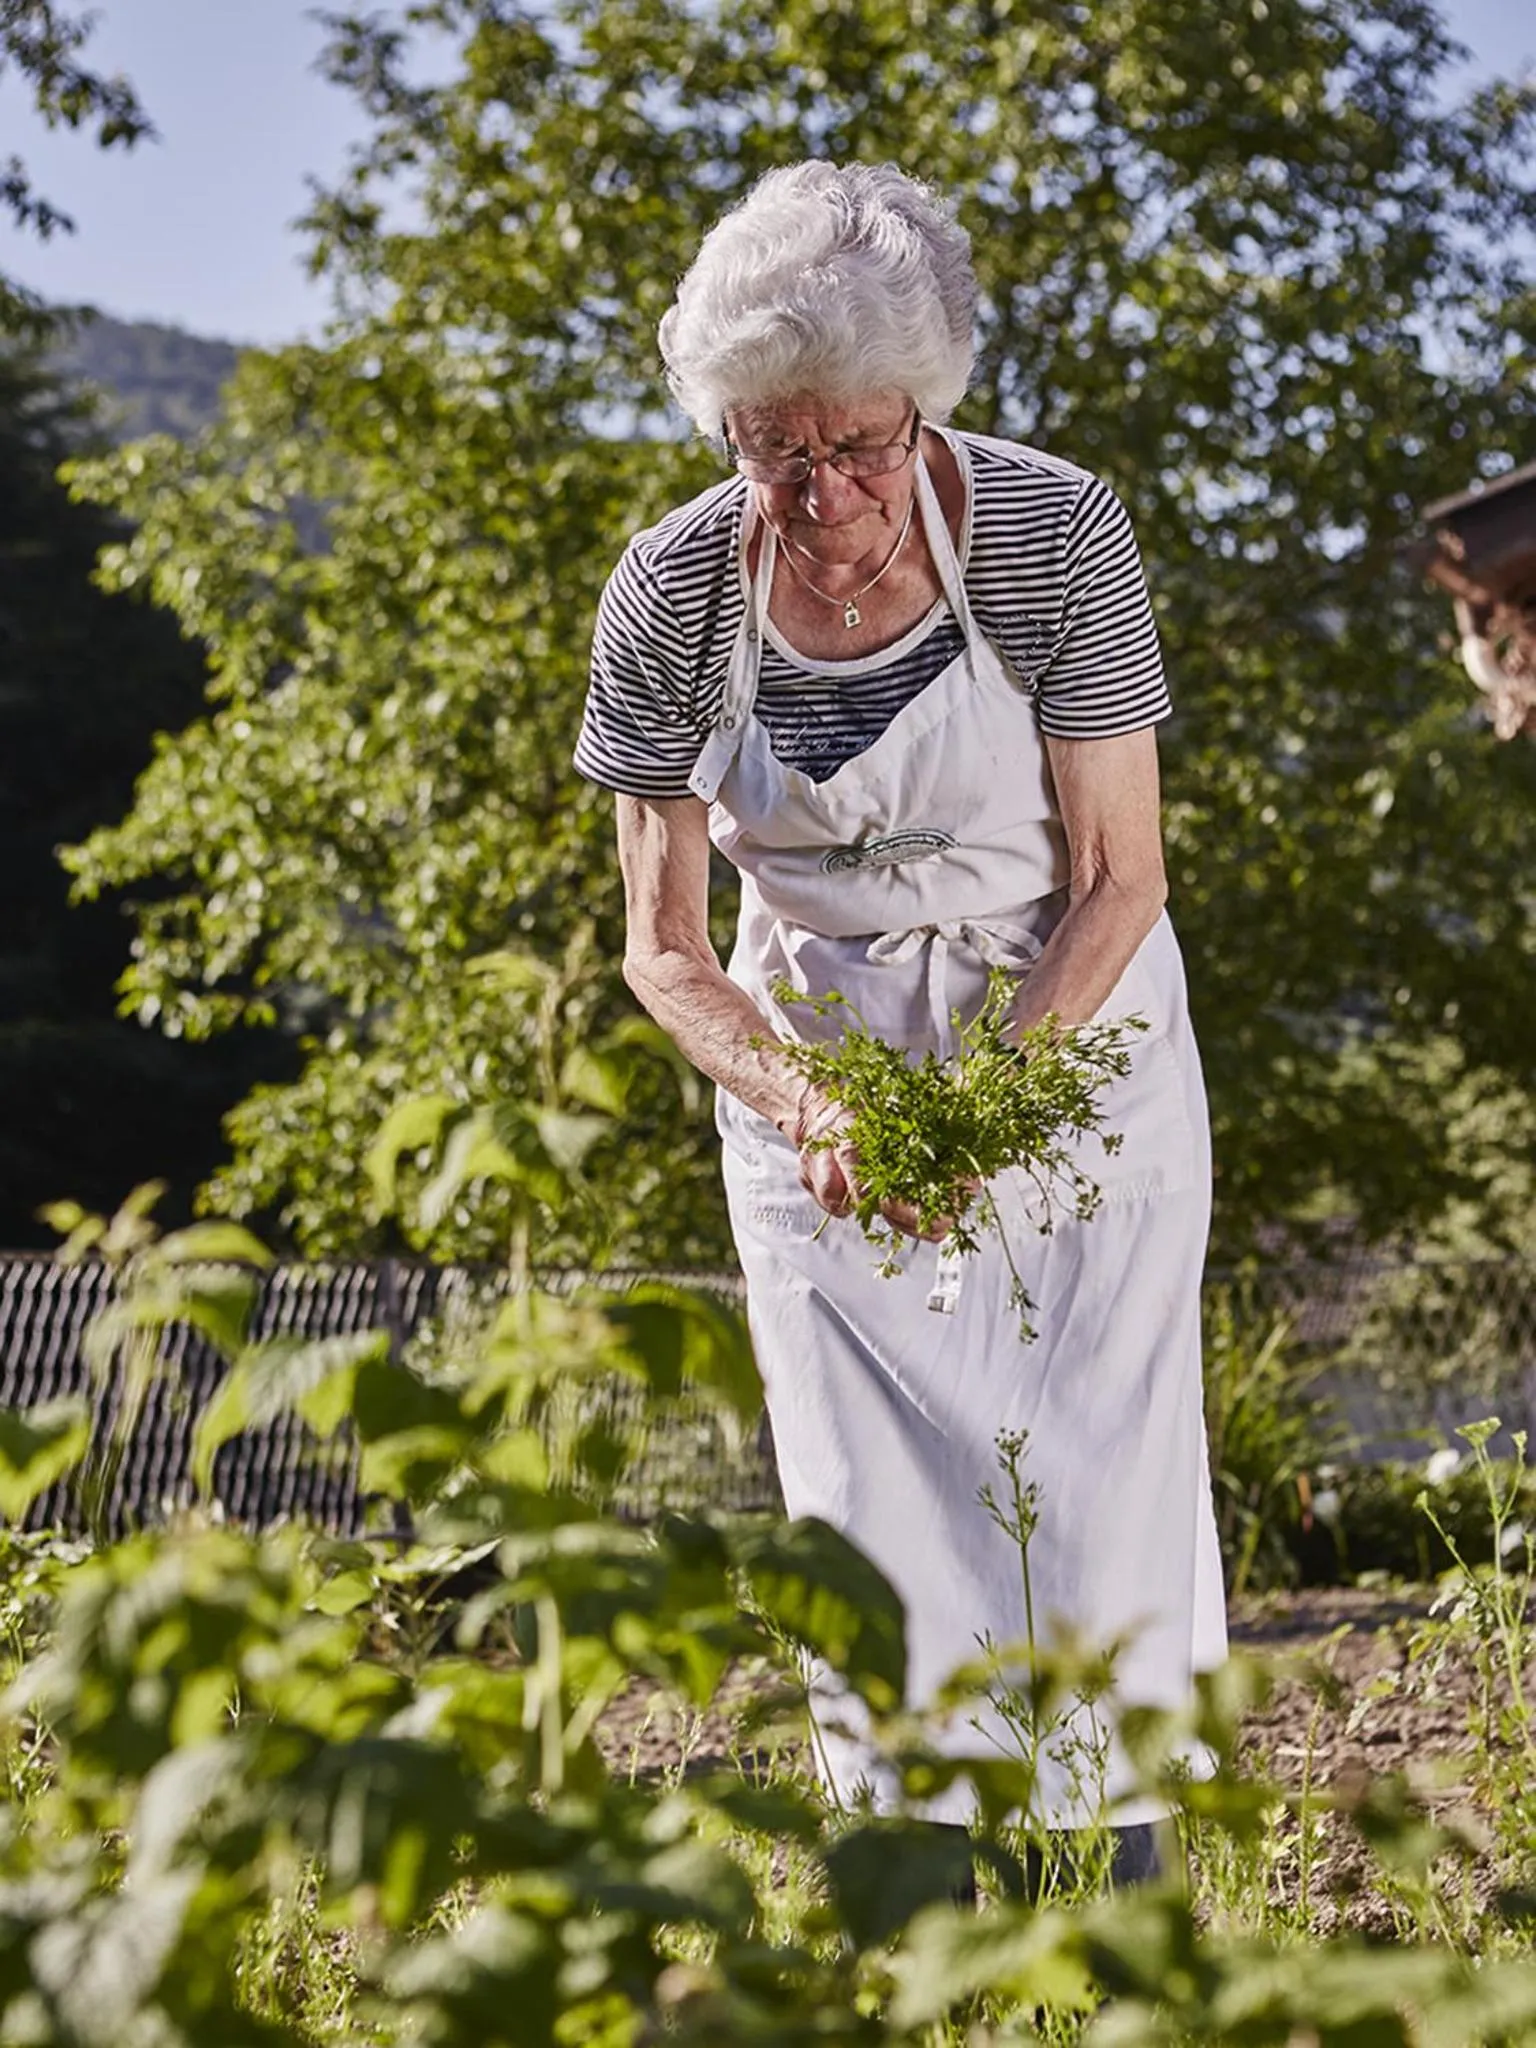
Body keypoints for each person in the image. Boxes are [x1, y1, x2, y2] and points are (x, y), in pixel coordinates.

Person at [575, 161, 1227, 1870]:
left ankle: (1118, 1923)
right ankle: (930, 1928)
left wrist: (989, 1108)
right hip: (821, 1061)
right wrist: (824, 1114)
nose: (824, 488)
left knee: (1095, 1500)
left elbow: (1119, 881)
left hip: (1071, 1041)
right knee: (876, 1525)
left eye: (860, 444)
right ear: (726, 431)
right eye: (775, 447)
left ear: (924, 409)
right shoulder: (669, 595)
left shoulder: (1045, 527)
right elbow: (665, 947)